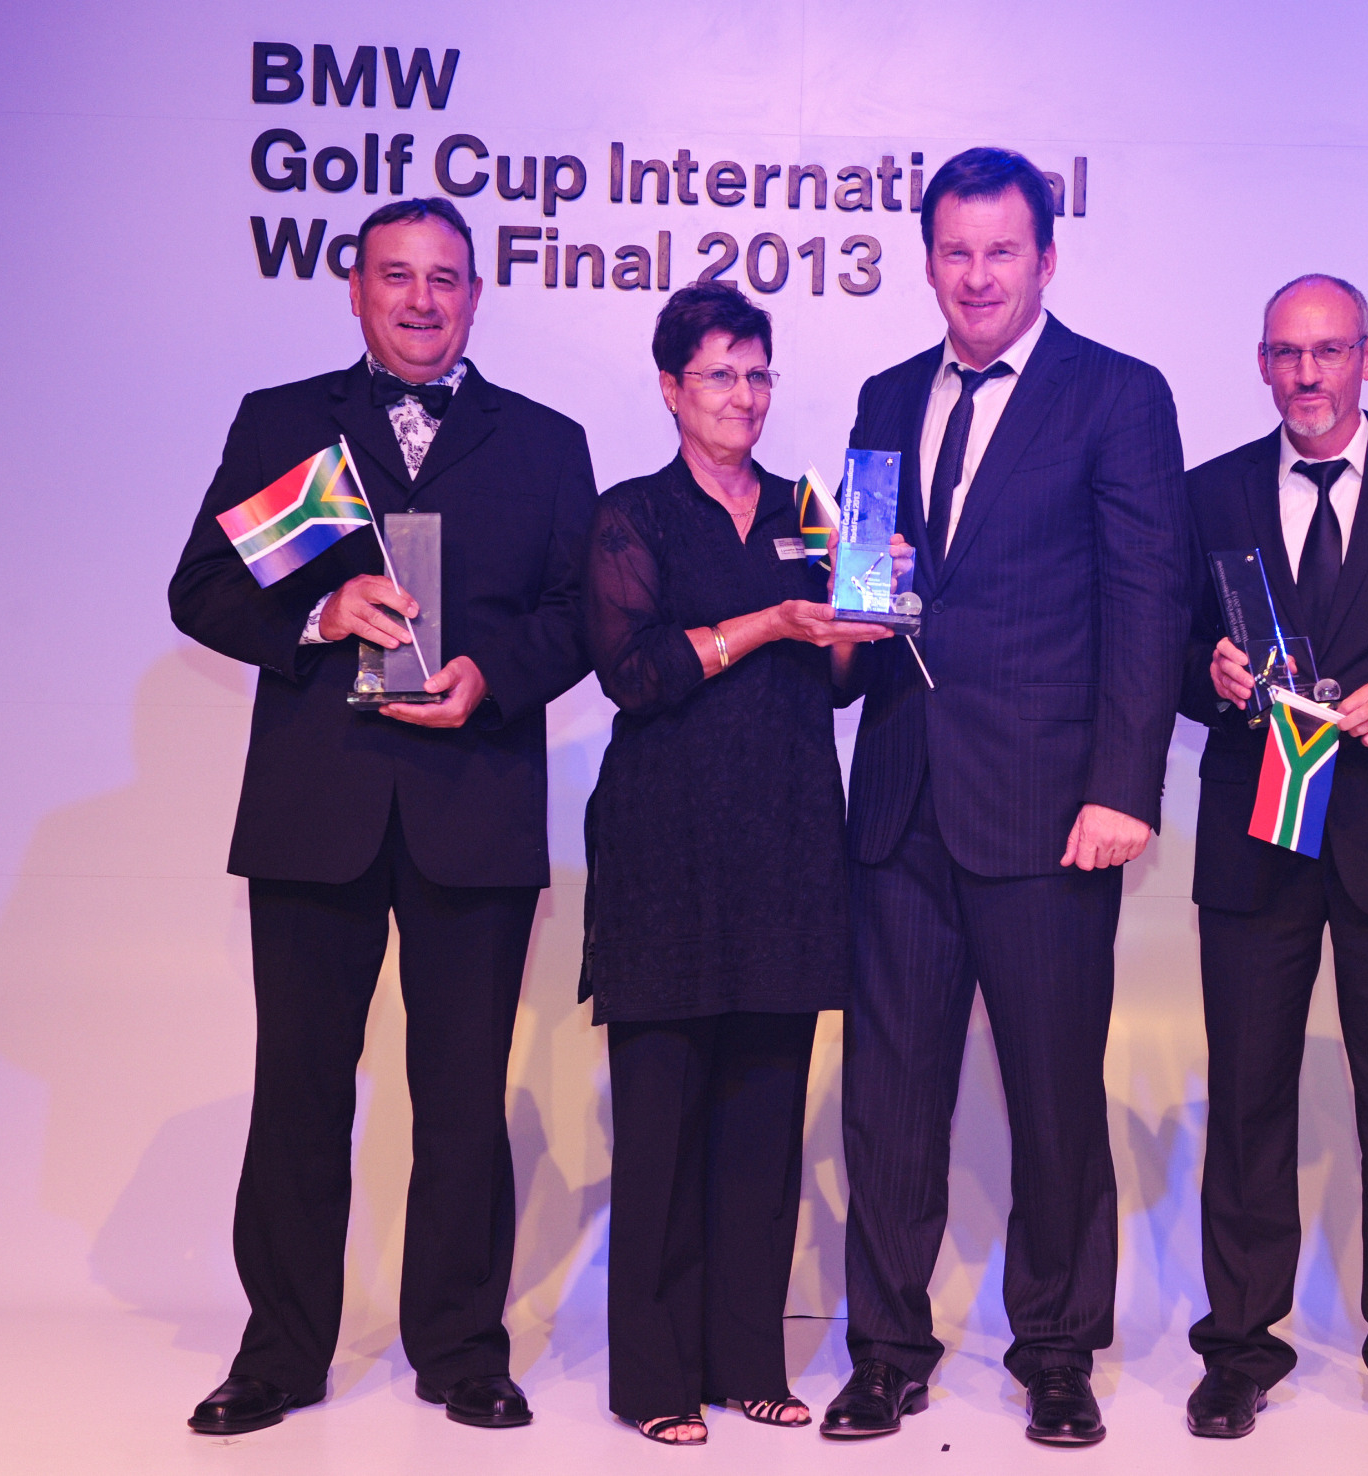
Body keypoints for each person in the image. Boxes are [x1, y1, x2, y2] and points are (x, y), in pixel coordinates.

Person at [170, 197, 595, 1436]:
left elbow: (578, 614)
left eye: (443, 278)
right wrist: (318, 612)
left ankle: (462, 1350)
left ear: (476, 295)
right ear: (354, 289)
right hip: (317, 809)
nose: (420, 299)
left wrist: (490, 678)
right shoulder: (288, 423)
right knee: (300, 1092)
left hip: (476, 805)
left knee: (462, 1099)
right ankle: (279, 1355)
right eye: (395, 276)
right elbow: (202, 589)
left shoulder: (543, 442)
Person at [821, 146, 1191, 1448]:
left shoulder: (1118, 394)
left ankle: (1056, 1352)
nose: (976, 276)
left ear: (1045, 258)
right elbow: (864, 592)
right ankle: (884, 1352)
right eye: (955, 252)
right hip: (901, 800)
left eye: (1001, 252)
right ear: (927, 261)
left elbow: (1147, 602)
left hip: (1049, 812)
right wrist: (853, 599)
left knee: (1052, 1096)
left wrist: (1123, 786)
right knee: (888, 1099)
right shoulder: (882, 394)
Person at [1178, 275, 1368, 1443]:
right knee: (1246, 1098)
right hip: (1254, 836)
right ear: (1262, 364)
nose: (1305, 375)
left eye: (1327, 352)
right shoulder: (1207, 490)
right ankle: (1238, 1349)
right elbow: (1165, 649)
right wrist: (1206, 676)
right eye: (1284, 354)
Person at [579, 283, 895, 1446]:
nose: (744, 396)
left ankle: (746, 1357)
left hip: (788, 838)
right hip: (665, 848)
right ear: (671, 388)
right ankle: (654, 1378)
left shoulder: (812, 508)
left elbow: (843, 678)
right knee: (661, 1123)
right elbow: (633, 674)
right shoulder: (631, 515)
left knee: (764, 1118)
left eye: (758, 374)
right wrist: (772, 620)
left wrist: (863, 611)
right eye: (720, 374)